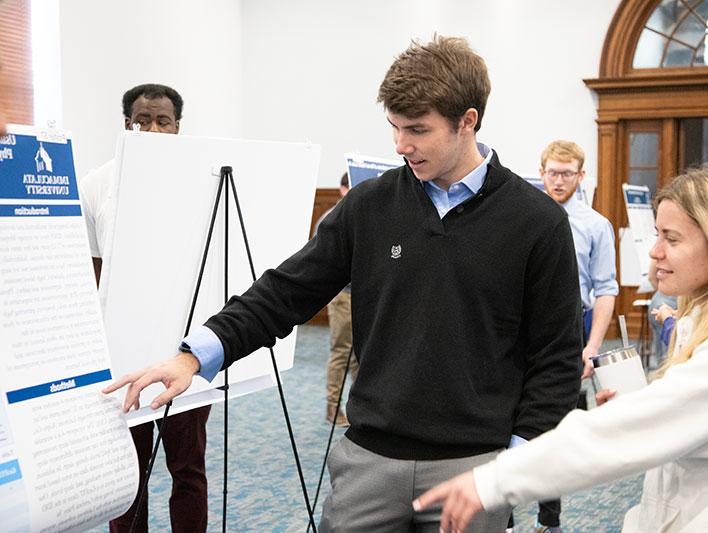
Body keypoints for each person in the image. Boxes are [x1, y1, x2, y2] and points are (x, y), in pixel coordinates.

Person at [104, 36, 583, 531]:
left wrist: (516, 466)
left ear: (468, 120)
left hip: (475, 467)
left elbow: (556, 358)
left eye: (417, 130)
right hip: (369, 463)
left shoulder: (536, 223)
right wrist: (196, 354)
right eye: (395, 128)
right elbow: (284, 291)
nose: (401, 146)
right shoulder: (370, 206)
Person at [416, 161, 708, 532]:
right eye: (658, 234)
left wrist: (493, 480)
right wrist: (647, 403)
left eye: (672, 238)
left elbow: (624, 434)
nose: (655, 252)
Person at [81, 83, 211, 533]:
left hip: (182, 354)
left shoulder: (202, 183)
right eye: (142, 120)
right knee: (125, 475)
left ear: (178, 127)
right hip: (121, 357)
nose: (152, 129)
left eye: (163, 121)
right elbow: (95, 270)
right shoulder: (99, 184)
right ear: (126, 125)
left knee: (188, 470)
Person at [537, 140, 618, 530]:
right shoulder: (526, 217)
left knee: (555, 429)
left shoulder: (595, 226)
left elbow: (606, 290)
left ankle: (549, 519)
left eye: (567, 173)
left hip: (573, 329)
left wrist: (592, 347)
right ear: (542, 173)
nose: (558, 180)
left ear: (581, 176)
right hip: (526, 328)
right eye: (552, 172)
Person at [315, 173, 358, 426]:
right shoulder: (331, 217)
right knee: (341, 352)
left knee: (360, 357)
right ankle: (332, 409)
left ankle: (357, 408)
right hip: (342, 295)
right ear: (342, 189)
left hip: (364, 296)